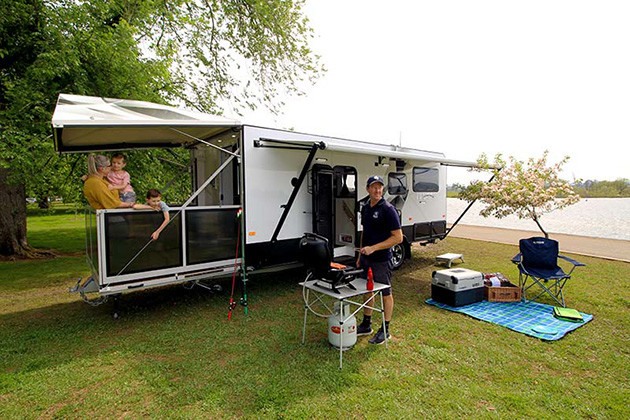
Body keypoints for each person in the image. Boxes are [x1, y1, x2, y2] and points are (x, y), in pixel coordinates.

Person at [356, 175, 403, 345]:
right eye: (374, 187)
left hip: (382, 259)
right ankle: (366, 324)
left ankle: (385, 330)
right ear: (367, 189)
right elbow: (365, 233)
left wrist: (374, 248)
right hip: (367, 258)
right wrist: (360, 256)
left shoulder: (388, 209)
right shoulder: (366, 208)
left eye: (380, 187)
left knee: (385, 293)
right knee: (367, 290)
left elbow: (398, 238)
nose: (377, 190)